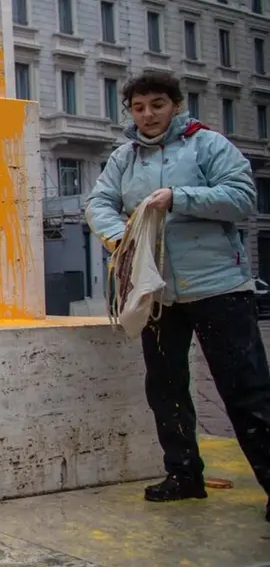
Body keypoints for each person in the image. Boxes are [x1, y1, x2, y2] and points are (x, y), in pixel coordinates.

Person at [85, 71, 270, 522]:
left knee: (245, 390)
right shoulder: (123, 157)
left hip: (219, 288)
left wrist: (178, 198)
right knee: (165, 387)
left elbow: (241, 198)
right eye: (138, 107)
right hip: (157, 293)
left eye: (157, 105)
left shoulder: (208, 145)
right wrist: (120, 239)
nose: (147, 115)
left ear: (176, 105)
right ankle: (183, 475)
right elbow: (98, 203)